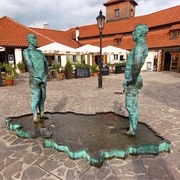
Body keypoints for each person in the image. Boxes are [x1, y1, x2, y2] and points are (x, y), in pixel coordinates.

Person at [123, 24, 149, 135]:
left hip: (133, 80)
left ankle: (132, 129)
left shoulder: (139, 46)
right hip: (136, 79)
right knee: (134, 104)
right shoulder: (143, 46)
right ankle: (133, 127)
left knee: (130, 105)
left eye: (134, 31)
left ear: (140, 34)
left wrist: (131, 79)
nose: (132, 34)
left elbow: (137, 63)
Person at [23, 34, 49, 122]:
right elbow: (29, 65)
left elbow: (46, 64)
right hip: (34, 79)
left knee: (43, 96)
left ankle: (42, 113)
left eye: (36, 38)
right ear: (29, 40)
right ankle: (35, 116)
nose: (36, 40)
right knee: (36, 97)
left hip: (43, 78)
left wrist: (45, 76)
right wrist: (36, 78)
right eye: (34, 38)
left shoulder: (40, 52)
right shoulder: (26, 52)